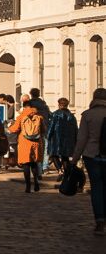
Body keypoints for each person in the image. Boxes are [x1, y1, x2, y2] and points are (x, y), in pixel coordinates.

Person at [70, 87, 106, 235]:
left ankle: (100, 220)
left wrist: (75, 159)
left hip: (92, 156)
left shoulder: (88, 115)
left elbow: (82, 139)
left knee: (97, 187)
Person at [9, 99, 46, 193]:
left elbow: (14, 129)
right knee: (34, 163)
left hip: (24, 142)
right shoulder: (39, 117)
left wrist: (9, 128)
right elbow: (43, 130)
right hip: (36, 143)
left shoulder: (21, 116)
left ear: (24, 107)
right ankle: (36, 182)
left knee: (26, 164)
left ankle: (28, 186)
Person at [47, 97, 78, 179]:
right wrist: (75, 140)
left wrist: (48, 136)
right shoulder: (71, 116)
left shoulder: (55, 115)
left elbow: (51, 127)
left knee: (54, 155)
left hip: (56, 139)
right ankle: (66, 174)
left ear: (59, 105)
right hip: (68, 140)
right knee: (65, 157)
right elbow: (76, 129)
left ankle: (60, 171)